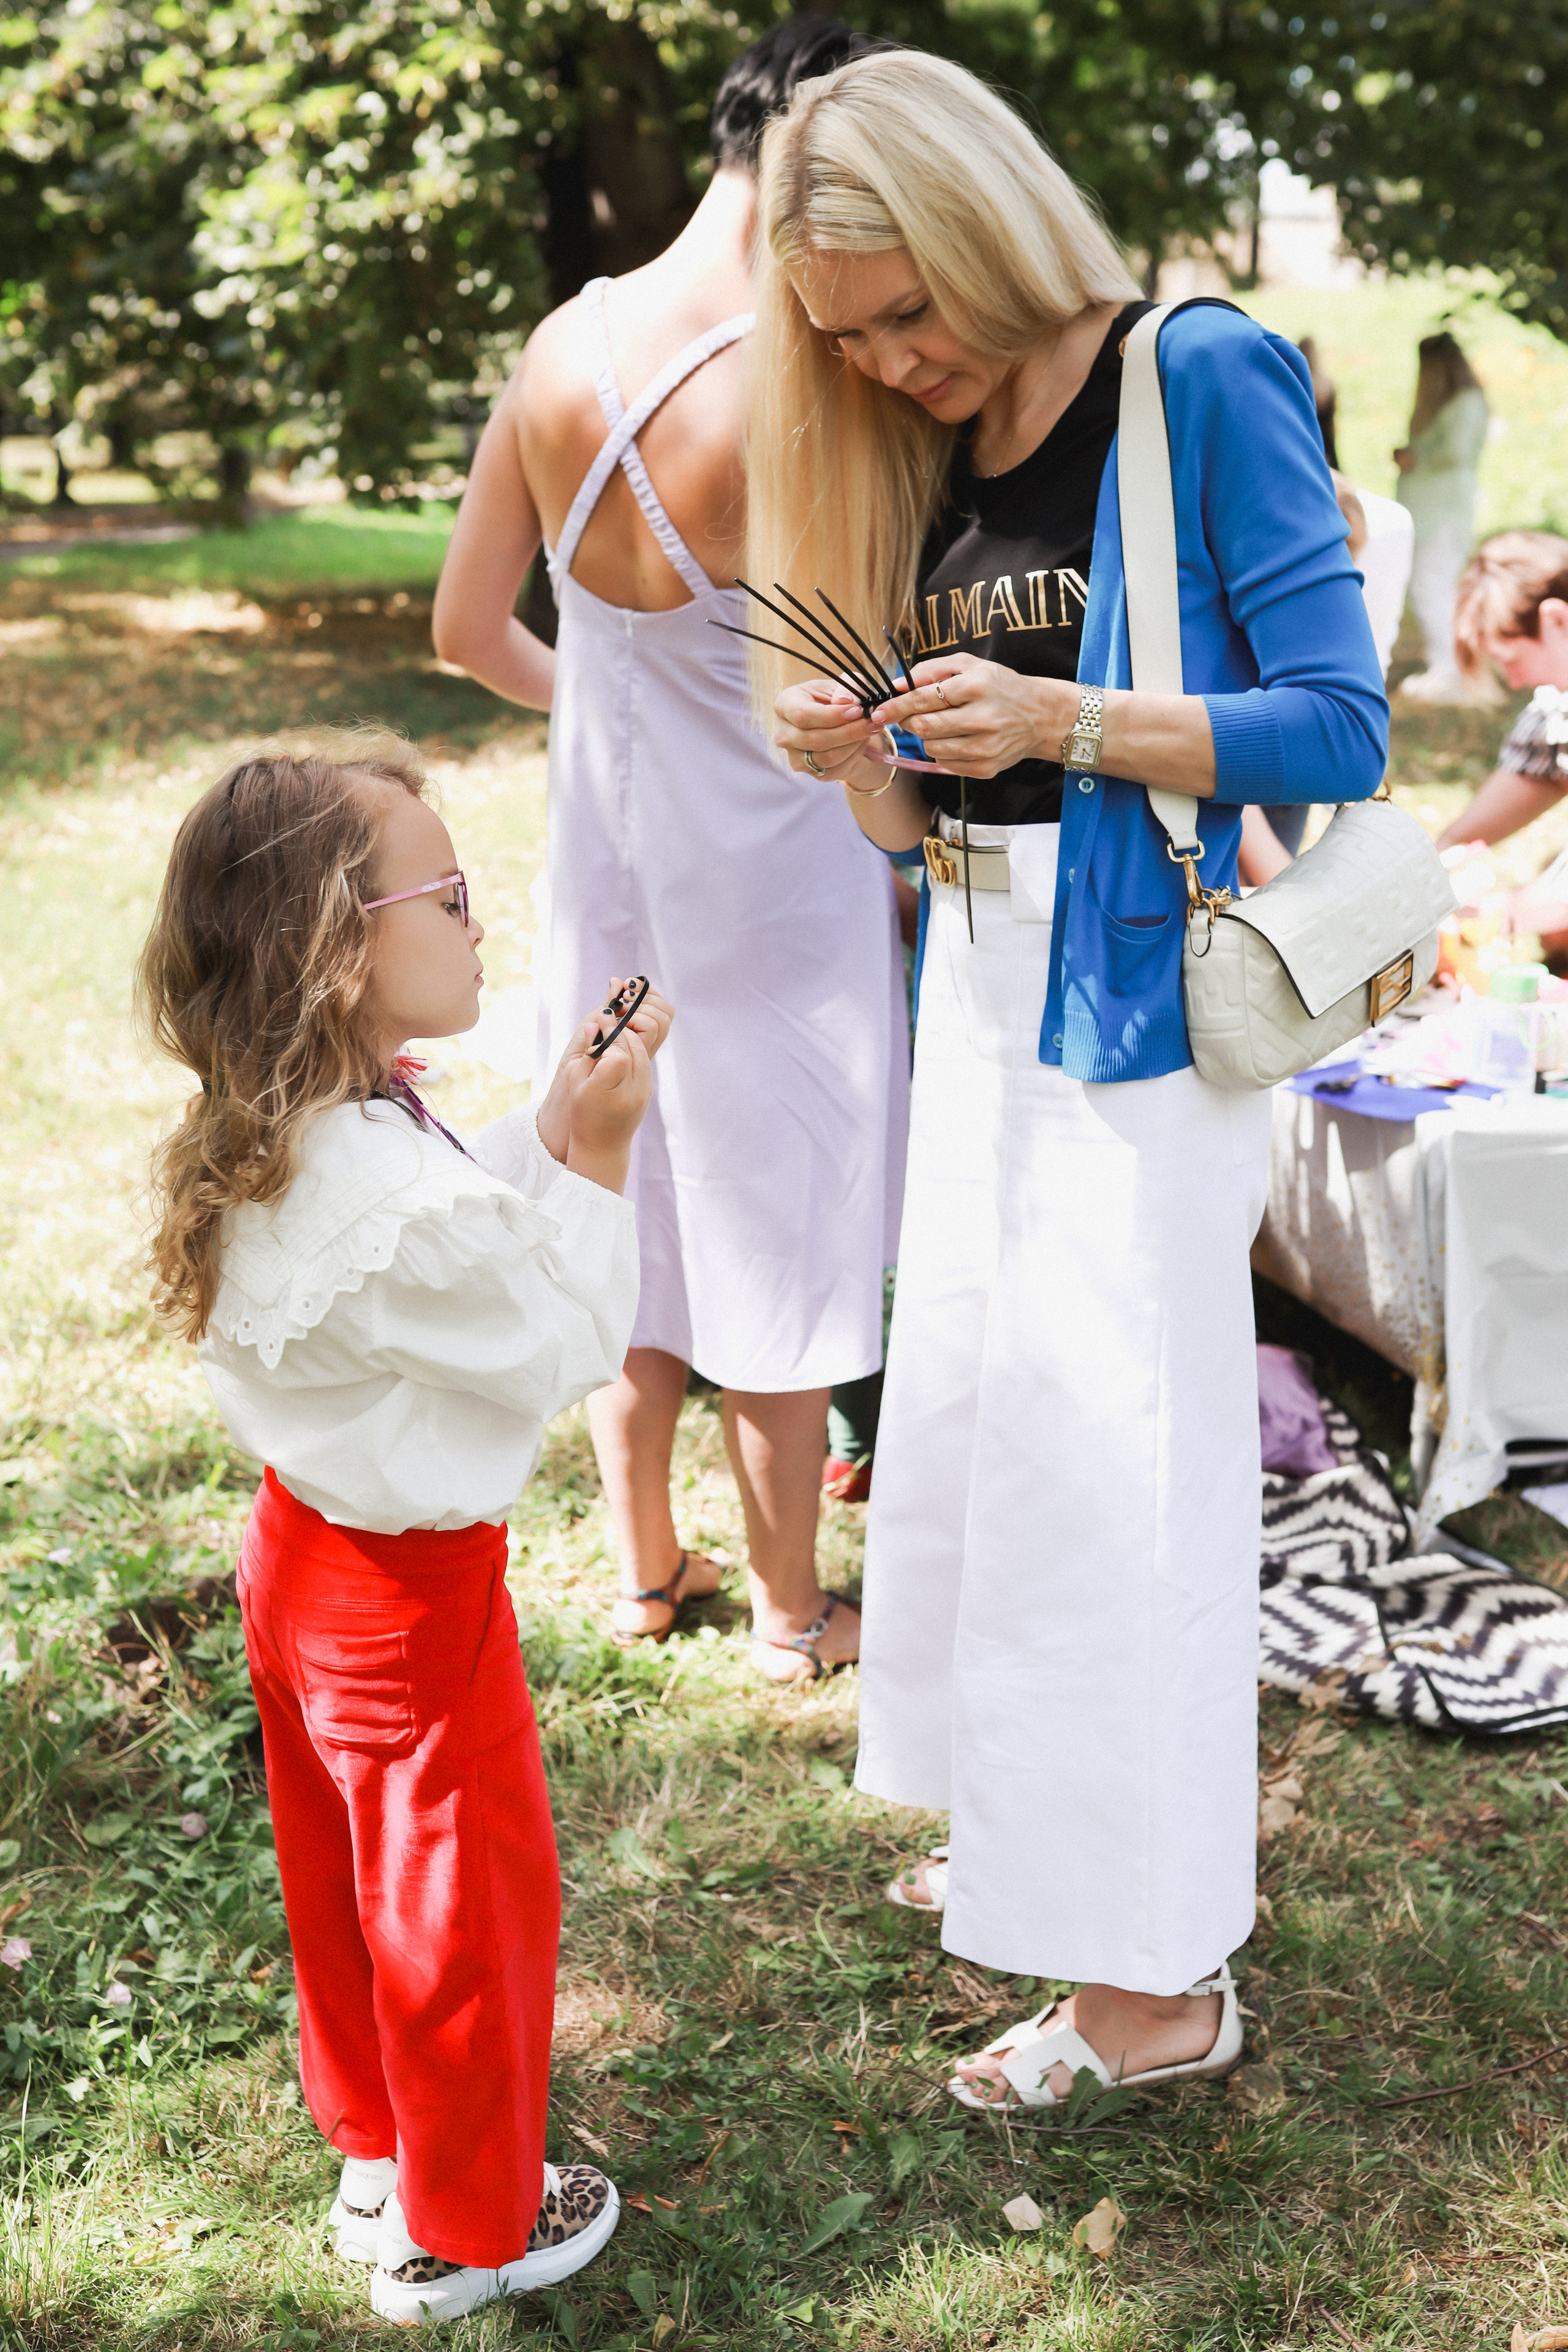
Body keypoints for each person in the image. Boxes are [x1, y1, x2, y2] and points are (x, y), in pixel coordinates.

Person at [750, 53, 1387, 2108]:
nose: (892, 363)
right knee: (995, 1454)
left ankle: (1161, 1987)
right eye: (848, 339)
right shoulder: (927, 433)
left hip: (1139, 1006)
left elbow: (1340, 729)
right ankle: (1058, 1870)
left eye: (906, 313)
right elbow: (923, 826)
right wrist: (871, 761)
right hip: (979, 974)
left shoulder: (1191, 375)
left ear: (986, 229)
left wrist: (1065, 712)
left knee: (1129, 1486)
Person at [136, 728, 669, 2323]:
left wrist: (550, 1136)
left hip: (300, 1564)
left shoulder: (311, 1119)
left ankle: (378, 2147)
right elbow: (558, 1328)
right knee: (463, 1915)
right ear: (335, 947)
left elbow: (451, 1239)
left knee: (344, 1882)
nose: (479, 916)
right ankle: (466, 2227)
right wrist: (610, 1156)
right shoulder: (388, 1195)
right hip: (407, 1610)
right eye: (444, 892)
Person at [432, 18, 908, 1684]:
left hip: (605, 875)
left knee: (618, 1205)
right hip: (779, 887)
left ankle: (645, 1575)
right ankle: (792, 1612)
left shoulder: (565, 342)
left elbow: (464, 623)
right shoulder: (808, 379)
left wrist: (603, 721)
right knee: (778, 1223)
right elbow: (863, 680)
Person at [1439, 530, 1568, 965]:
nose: (1515, 682)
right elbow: (1462, 840)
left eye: (1512, 659)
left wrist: (1494, 915)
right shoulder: (1556, 710)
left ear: (1557, 621)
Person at [1395, 330, 1490, 704]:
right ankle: (1450, 668)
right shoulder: (1456, 402)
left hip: (1442, 511)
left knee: (1430, 586)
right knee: (1438, 587)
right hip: (1432, 508)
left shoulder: (1465, 402)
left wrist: (1415, 457)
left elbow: (1455, 452)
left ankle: (1450, 673)